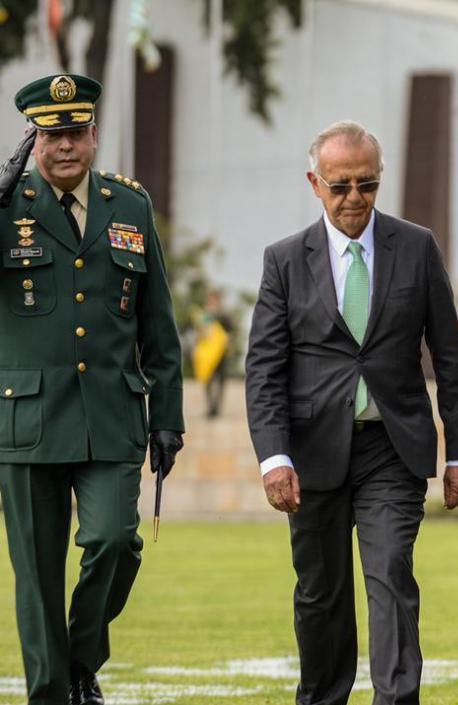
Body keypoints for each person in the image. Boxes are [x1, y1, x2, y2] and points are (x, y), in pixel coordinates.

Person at [244, 120, 458, 705]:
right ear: (314, 183)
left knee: (391, 575)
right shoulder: (283, 261)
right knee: (320, 593)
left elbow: (450, 356)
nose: (355, 199)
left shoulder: (417, 246)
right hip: (312, 452)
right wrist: (274, 458)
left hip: (391, 449)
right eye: (341, 186)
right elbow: (264, 369)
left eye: (368, 185)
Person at [0, 74, 184, 705]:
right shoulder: (5, 206)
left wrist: (169, 417)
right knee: (38, 575)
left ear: (94, 135)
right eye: (52, 137)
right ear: (34, 141)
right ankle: (54, 694)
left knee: (113, 540)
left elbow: (158, 321)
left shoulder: (128, 205)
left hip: (111, 414)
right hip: (26, 422)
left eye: (76, 133)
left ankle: (82, 658)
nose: (66, 148)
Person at [192, 288, 233, 418]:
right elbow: (200, 332)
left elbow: (230, 331)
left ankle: (216, 407)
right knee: (208, 379)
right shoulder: (205, 314)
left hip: (221, 352)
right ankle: (211, 407)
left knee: (221, 380)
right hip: (207, 353)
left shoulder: (224, 314)